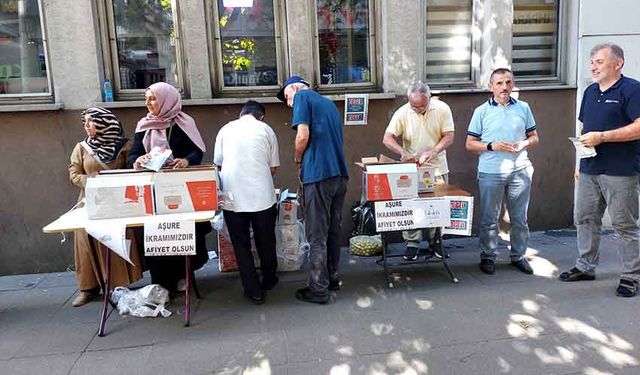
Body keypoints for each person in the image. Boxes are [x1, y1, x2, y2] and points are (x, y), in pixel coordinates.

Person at [558, 43, 640, 297]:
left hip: (621, 170)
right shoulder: (591, 91)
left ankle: (631, 275)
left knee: (624, 224)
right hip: (590, 168)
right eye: (592, 62)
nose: (593, 66)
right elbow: (584, 130)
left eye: (600, 62)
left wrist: (603, 137)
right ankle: (585, 266)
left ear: (618, 63)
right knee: (584, 219)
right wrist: (578, 164)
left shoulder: (632, 89)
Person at [129, 82, 211, 293]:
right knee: (158, 235)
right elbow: (133, 155)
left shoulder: (184, 122)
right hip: (153, 190)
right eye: (146, 99)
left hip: (180, 190)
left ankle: (184, 274)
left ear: (167, 99)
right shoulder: (143, 125)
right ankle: (161, 282)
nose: (148, 103)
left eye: (153, 98)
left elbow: (197, 152)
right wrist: (140, 159)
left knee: (181, 233)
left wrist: (186, 161)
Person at [277, 75, 349, 304]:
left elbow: (303, 135)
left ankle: (318, 288)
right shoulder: (328, 104)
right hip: (339, 175)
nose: (289, 103)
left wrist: (298, 158)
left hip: (318, 175)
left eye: (287, 96)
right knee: (332, 230)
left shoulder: (302, 97)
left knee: (316, 233)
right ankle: (332, 277)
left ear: (295, 88)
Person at [465, 68, 539, 275]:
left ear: (513, 84)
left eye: (508, 82)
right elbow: (470, 144)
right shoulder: (481, 111)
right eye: (499, 83)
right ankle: (488, 256)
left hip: (520, 170)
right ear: (491, 87)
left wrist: (524, 143)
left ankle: (518, 255)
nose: (504, 87)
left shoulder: (523, 107)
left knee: (519, 218)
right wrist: (492, 146)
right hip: (491, 172)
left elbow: (535, 137)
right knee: (490, 217)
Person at [68, 107, 143, 307]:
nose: (86, 125)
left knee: (117, 240)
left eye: (90, 121)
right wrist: (90, 181)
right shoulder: (82, 148)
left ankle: (120, 285)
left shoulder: (124, 146)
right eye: (84, 122)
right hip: (90, 202)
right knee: (86, 243)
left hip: (117, 201)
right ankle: (88, 289)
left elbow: (131, 171)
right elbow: (74, 173)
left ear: (103, 123)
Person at [213, 100, 280, 305]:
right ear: (262, 116)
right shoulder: (266, 129)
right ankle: (269, 279)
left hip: (232, 198)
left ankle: (253, 290)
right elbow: (273, 167)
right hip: (262, 197)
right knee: (265, 239)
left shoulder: (225, 129)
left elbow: (218, 162)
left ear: (241, 114)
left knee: (241, 244)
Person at [382, 82, 455, 260]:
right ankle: (412, 242)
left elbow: (449, 136)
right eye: (413, 106)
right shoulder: (403, 112)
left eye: (422, 106)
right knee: (411, 204)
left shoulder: (442, 108)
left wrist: (434, 151)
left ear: (429, 99)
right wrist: (402, 152)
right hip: (413, 168)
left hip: (437, 166)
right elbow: (387, 138)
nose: (417, 110)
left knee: (437, 205)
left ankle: (435, 240)